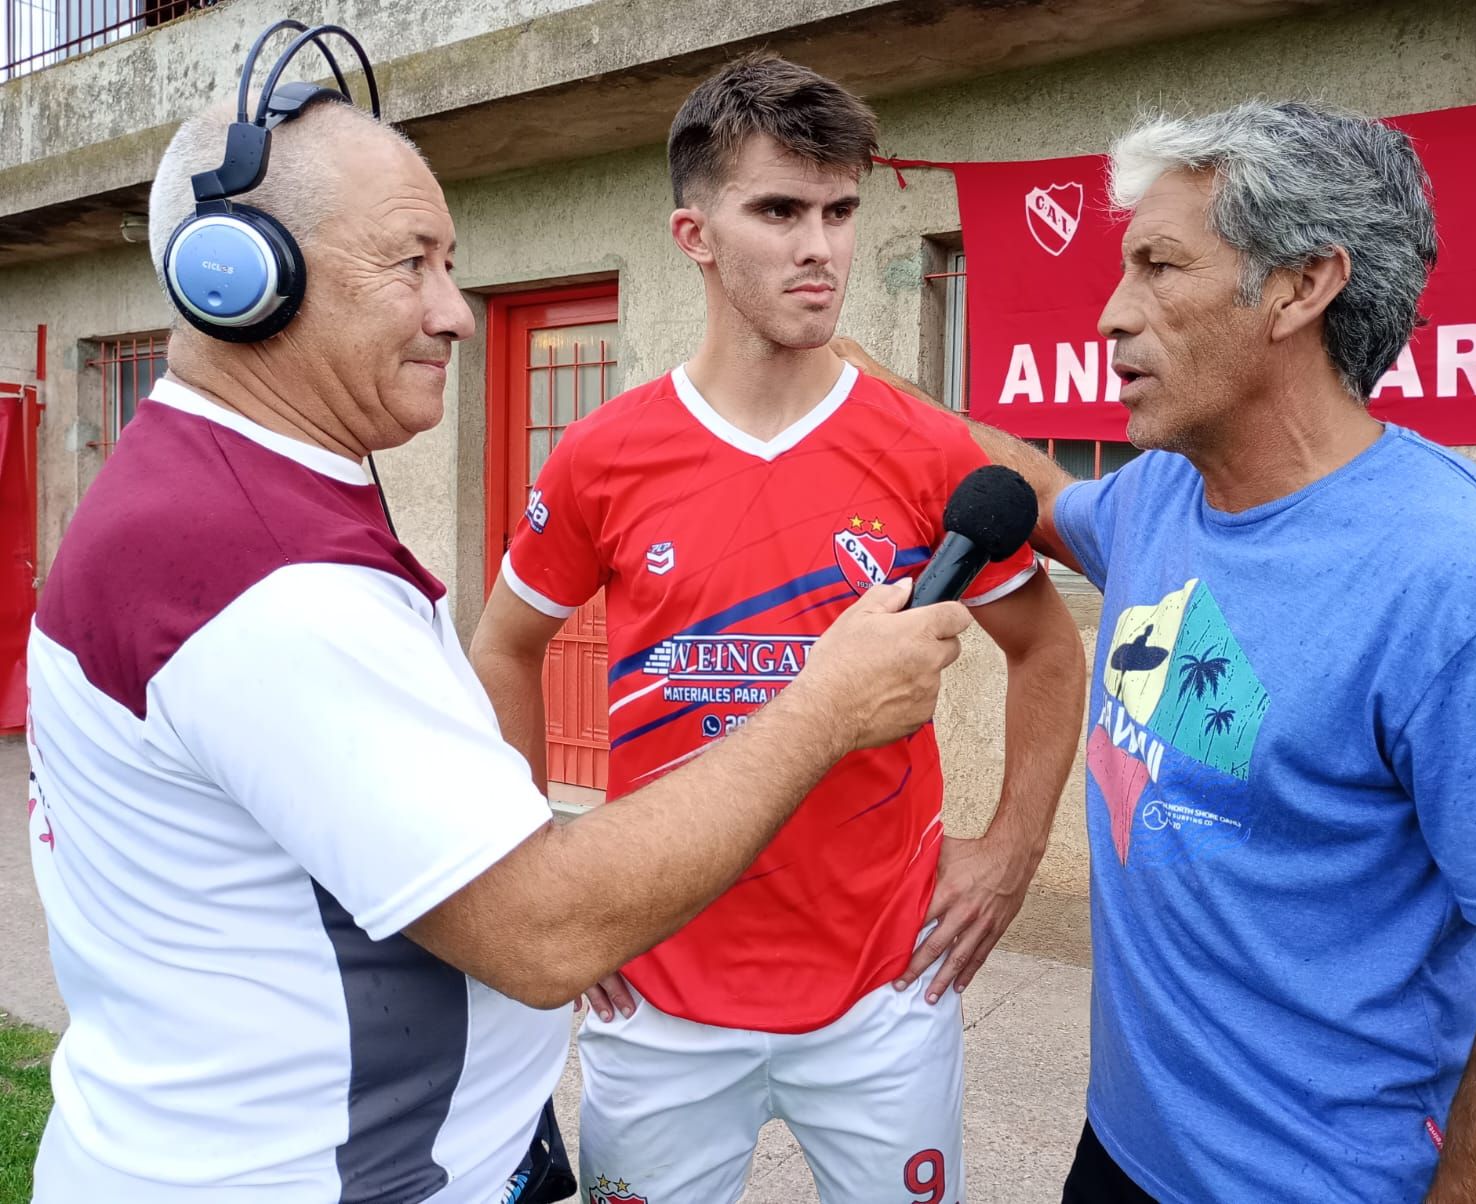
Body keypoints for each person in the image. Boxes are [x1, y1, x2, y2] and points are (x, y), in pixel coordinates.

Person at [22, 80, 975, 1203]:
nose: (456, 312)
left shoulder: (222, 502)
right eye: (409, 263)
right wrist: (825, 707)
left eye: (451, 262)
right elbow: (542, 930)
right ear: (239, 277)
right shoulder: (261, 577)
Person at [843, 99, 1476, 1204]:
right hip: (1121, 1154)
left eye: (1159, 266)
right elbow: (1040, 492)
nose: (1112, 315)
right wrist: (872, 390)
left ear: (1301, 287)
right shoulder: (1161, 497)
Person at [470, 54, 1085, 1203]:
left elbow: (1046, 648)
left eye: (840, 212)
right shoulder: (602, 454)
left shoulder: (927, 448)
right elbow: (505, 644)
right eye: (779, 211)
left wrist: (1010, 850)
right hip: (657, 994)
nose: (821, 247)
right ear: (694, 234)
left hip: (883, 994)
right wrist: (542, 869)